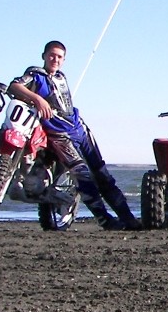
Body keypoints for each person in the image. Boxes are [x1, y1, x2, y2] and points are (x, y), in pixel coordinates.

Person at [8, 41, 141, 231]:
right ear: (44, 56)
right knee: (82, 175)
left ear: (64, 60)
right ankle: (104, 219)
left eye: (60, 57)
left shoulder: (61, 76)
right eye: (52, 55)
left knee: (102, 174)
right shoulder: (35, 74)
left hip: (79, 128)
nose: (55, 60)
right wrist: (37, 99)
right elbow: (14, 86)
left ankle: (128, 219)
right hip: (58, 134)